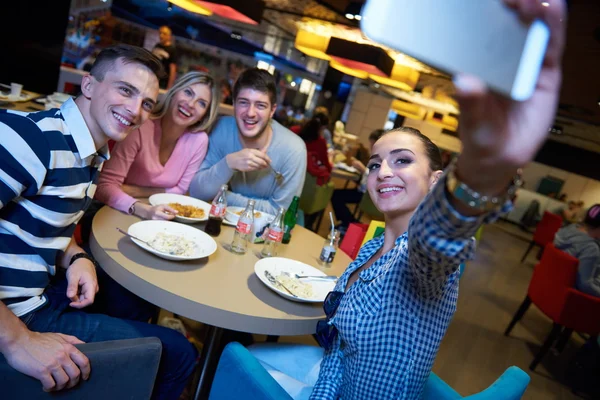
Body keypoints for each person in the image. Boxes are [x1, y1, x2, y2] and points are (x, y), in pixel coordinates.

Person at [247, 0, 567, 398]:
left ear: (435, 180)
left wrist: (482, 171)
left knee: (234, 361)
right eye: (376, 163)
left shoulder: (423, 260)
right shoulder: (376, 242)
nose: (383, 172)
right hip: (331, 376)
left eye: (402, 161)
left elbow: (437, 239)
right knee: (247, 352)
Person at [0, 44, 197, 400]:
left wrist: (77, 256)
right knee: (179, 354)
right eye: (125, 90)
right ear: (88, 86)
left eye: (147, 102)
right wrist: (18, 340)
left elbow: (42, 222)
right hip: (17, 313)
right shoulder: (31, 138)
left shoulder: (92, 152)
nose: (136, 110)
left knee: (133, 300)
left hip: (40, 290)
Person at [95, 71, 219, 220]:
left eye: (201, 103)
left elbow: (181, 190)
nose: (191, 104)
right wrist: (145, 206)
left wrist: (131, 190)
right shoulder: (141, 125)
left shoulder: (199, 140)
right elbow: (104, 187)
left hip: (159, 214)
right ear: (174, 92)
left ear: (205, 114)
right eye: (188, 92)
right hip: (114, 210)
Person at [189, 68, 307, 215]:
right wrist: (229, 163)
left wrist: (222, 195)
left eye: (260, 105)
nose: (250, 113)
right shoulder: (221, 129)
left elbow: (280, 213)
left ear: (272, 110)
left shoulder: (294, 149)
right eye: (244, 102)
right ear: (234, 104)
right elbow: (197, 191)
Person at [330, 129, 384, 233]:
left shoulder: (382, 159)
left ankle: (351, 224)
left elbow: (375, 180)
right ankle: (349, 224)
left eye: (372, 144)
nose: (371, 147)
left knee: (336, 196)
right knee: (337, 195)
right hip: (366, 192)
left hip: (369, 195)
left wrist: (363, 169)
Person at [554, 204, 600, 298]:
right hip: (568, 297)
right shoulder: (590, 248)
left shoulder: (569, 229)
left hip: (549, 282)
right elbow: (584, 285)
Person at [299, 115, 332, 184]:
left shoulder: (294, 130)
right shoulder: (320, 142)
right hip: (305, 180)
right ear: (322, 127)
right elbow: (325, 162)